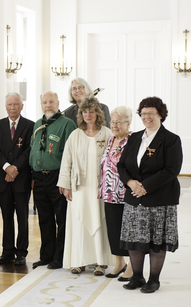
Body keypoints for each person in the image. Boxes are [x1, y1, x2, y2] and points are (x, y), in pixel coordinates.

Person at [118, 97, 182, 293]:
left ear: (161, 115)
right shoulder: (134, 138)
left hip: (159, 198)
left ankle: (154, 280)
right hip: (134, 198)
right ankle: (137, 277)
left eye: (151, 113)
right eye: (143, 113)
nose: (147, 117)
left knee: (156, 241)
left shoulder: (171, 139)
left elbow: (171, 169)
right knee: (134, 238)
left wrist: (144, 187)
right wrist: (130, 182)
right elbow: (121, 165)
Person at [57, 98, 114, 275]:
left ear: (98, 113)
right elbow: (66, 161)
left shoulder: (106, 133)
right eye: (84, 112)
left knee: (100, 220)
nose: (88, 115)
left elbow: (113, 161)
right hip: (79, 187)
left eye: (91, 111)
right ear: (81, 115)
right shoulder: (75, 134)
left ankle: (100, 262)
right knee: (79, 222)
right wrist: (65, 185)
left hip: (100, 187)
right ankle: (78, 261)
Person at [29, 91, 77, 270]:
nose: (48, 105)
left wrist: (67, 181)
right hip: (39, 178)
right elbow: (33, 150)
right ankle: (46, 255)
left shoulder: (67, 124)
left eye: (51, 102)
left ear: (58, 102)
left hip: (58, 177)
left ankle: (61, 256)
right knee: (44, 218)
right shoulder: (38, 124)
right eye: (44, 102)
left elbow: (70, 154)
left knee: (62, 219)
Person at [0, 92, 34, 265]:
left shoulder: (30, 125)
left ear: (22, 106)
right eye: (9, 104)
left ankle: (21, 252)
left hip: (21, 179)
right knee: (6, 217)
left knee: (22, 217)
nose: (12, 107)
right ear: (5, 106)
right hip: (2, 179)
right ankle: (7, 251)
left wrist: (15, 168)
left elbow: (29, 151)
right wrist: (7, 167)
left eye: (16, 104)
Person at [98, 106, 134, 281]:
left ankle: (133, 265)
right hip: (109, 192)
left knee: (127, 230)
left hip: (125, 193)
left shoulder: (133, 141)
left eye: (118, 122)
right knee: (113, 230)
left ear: (128, 122)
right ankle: (119, 263)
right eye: (112, 122)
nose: (114, 125)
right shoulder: (111, 140)